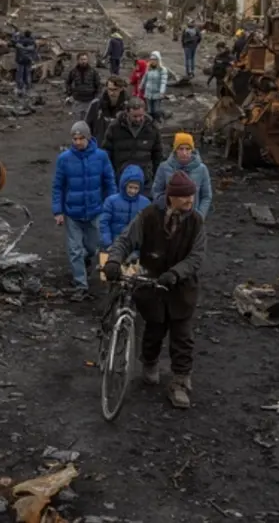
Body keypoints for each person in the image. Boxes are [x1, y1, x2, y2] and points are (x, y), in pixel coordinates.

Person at [103, 171, 206, 409]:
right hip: (151, 285)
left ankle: (180, 382)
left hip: (181, 288)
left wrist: (176, 273)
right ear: (171, 197)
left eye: (192, 195)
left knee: (182, 337)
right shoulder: (149, 216)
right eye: (184, 196)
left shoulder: (196, 221)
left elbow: (197, 257)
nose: (190, 200)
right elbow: (125, 240)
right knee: (153, 329)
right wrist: (113, 260)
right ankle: (149, 362)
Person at [51, 121, 117, 293]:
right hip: (72, 212)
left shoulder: (101, 157)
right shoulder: (64, 160)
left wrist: (111, 205)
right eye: (75, 138)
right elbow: (58, 186)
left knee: (93, 247)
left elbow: (109, 182)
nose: (78, 142)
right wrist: (58, 211)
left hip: (95, 211)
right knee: (75, 250)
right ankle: (81, 284)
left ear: (88, 138)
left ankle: (85, 260)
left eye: (81, 138)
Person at [100, 97, 163, 186]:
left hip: (145, 179)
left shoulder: (152, 129)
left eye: (141, 116)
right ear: (127, 112)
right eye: (135, 116)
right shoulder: (114, 127)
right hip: (120, 178)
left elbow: (158, 155)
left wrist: (156, 177)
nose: (138, 119)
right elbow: (106, 151)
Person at [152, 133, 213, 217]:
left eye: (187, 149)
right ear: (175, 150)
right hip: (169, 218)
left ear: (192, 150)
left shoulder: (202, 169)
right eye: (181, 149)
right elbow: (156, 192)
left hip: (193, 219)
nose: (184, 153)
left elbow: (206, 196)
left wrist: (200, 216)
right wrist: (167, 208)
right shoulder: (164, 167)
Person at [99, 165, 151, 252]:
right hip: (114, 246)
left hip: (135, 247)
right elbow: (104, 223)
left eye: (136, 188)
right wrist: (107, 242)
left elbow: (148, 227)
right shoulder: (111, 201)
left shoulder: (145, 203)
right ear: (124, 185)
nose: (133, 191)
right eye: (130, 187)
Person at [65, 53, 101, 120]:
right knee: (77, 122)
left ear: (87, 60)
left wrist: (97, 98)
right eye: (81, 59)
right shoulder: (73, 72)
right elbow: (68, 83)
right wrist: (69, 94)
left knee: (88, 122)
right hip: (77, 101)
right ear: (78, 60)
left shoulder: (93, 72)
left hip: (90, 101)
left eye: (85, 59)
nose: (83, 61)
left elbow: (98, 85)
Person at [143, 51, 169, 121]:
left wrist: (162, 91)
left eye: (155, 59)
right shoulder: (148, 68)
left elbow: (163, 82)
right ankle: (149, 123)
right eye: (151, 59)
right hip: (148, 92)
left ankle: (158, 120)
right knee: (149, 110)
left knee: (156, 110)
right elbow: (145, 77)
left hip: (157, 93)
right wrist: (141, 86)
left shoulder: (162, 70)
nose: (153, 61)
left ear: (158, 60)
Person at [14, 30, 37, 96]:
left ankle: (20, 89)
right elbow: (34, 50)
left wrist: (15, 34)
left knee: (20, 75)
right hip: (28, 61)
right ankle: (27, 88)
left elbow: (13, 41)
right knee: (27, 75)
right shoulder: (32, 43)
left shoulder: (19, 42)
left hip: (20, 61)